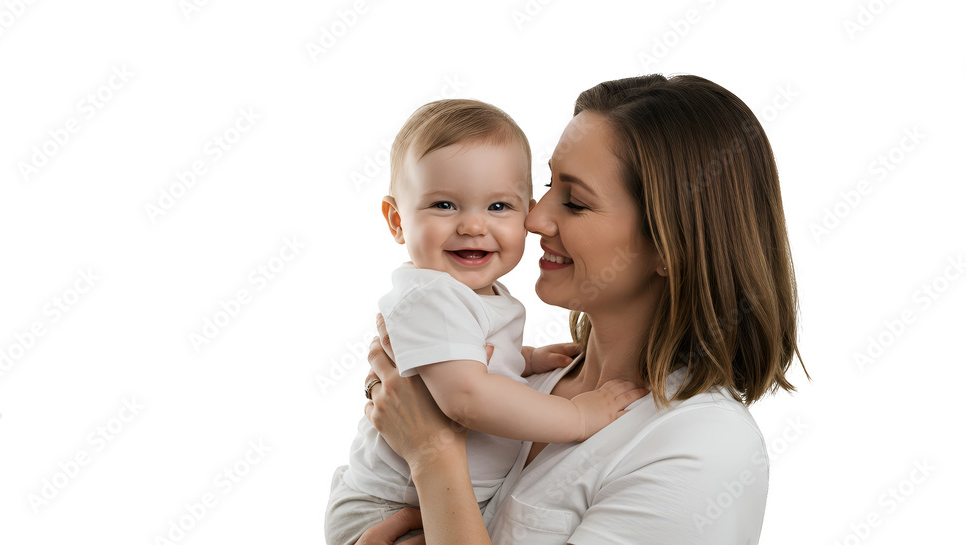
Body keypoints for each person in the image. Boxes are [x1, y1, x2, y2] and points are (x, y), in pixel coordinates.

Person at [357, 75, 809, 544]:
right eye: (547, 184)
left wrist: (432, 453)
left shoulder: (703, 447)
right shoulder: (520, 382)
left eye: (574, 202)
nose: (534, 219)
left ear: (669, 247)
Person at [325, 99, 648, 545]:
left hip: (436, 498)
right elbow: (466, 396)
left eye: (498, 206)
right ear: (397, 221)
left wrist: (527, 358)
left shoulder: (476, 294)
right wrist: (577, 416)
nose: (473, 226)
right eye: (444, 205)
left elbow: (474, 360)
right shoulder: (433, 296)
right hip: (387, 506)